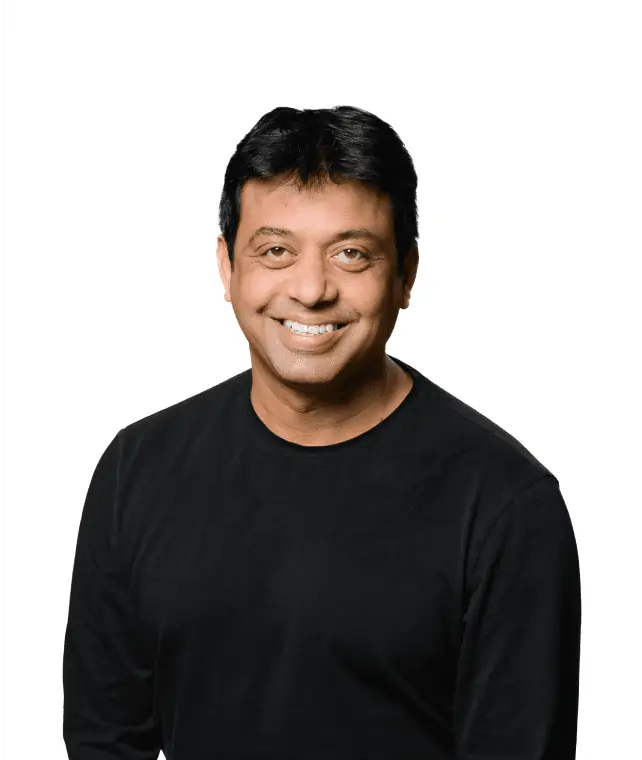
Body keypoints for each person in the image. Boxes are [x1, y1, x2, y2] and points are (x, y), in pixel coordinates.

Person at [62, 106, 582, 759]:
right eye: (275, 251)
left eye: (351, 254)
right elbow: (104, 740)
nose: (311, 290)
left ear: (406, 275)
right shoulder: (137, 467)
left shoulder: (505, 502)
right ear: (228, 267)